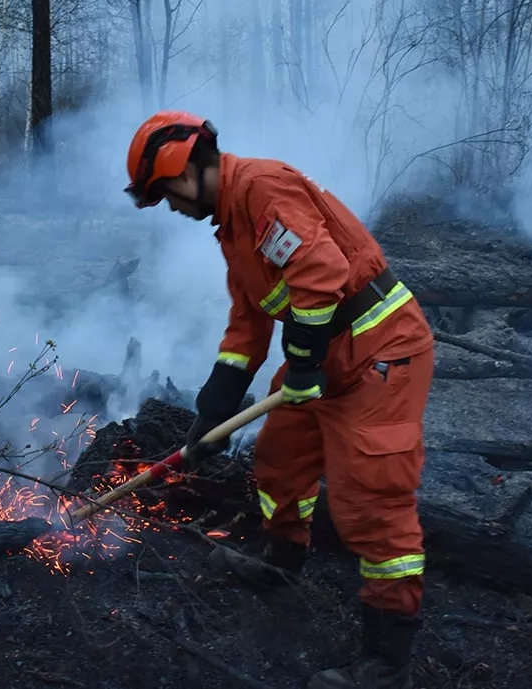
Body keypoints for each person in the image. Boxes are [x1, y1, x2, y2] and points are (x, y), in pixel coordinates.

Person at [123, 110, 435, 689]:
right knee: (279, 462)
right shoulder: (232, 227)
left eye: (166, 194)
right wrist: (211, 413)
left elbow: (321, 273)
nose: (171, 208)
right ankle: (281, 567)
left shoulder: (263, 187)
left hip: (379, 352)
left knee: (372, 501)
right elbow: (248, 324)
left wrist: (307, 364)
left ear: (187, 169)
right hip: (320, 356)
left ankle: (388, 662)